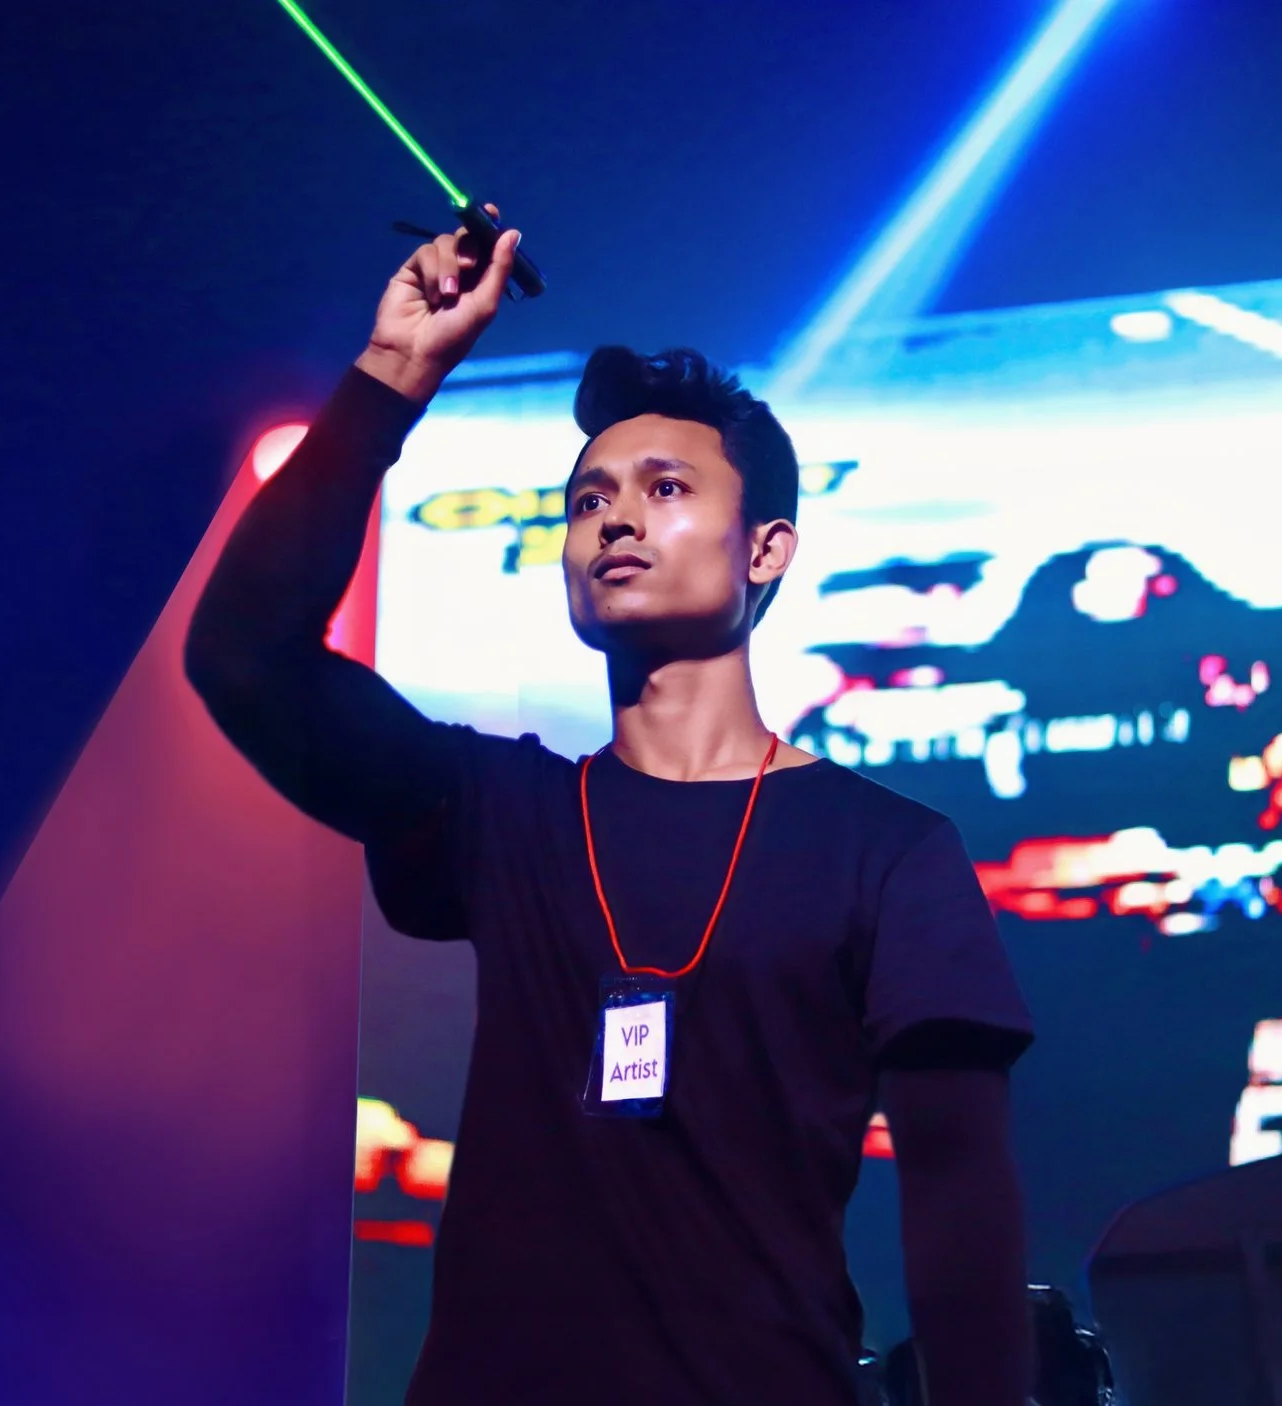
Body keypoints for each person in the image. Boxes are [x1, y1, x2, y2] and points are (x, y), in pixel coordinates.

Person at [184, 219, 1035, 1404]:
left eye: (665, 487)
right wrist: (394, 377)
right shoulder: (498, 808)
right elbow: (246, 658)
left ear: (766, 548)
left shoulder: (886, 853)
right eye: (588, 498)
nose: (614, 519)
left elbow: (960, 1202)